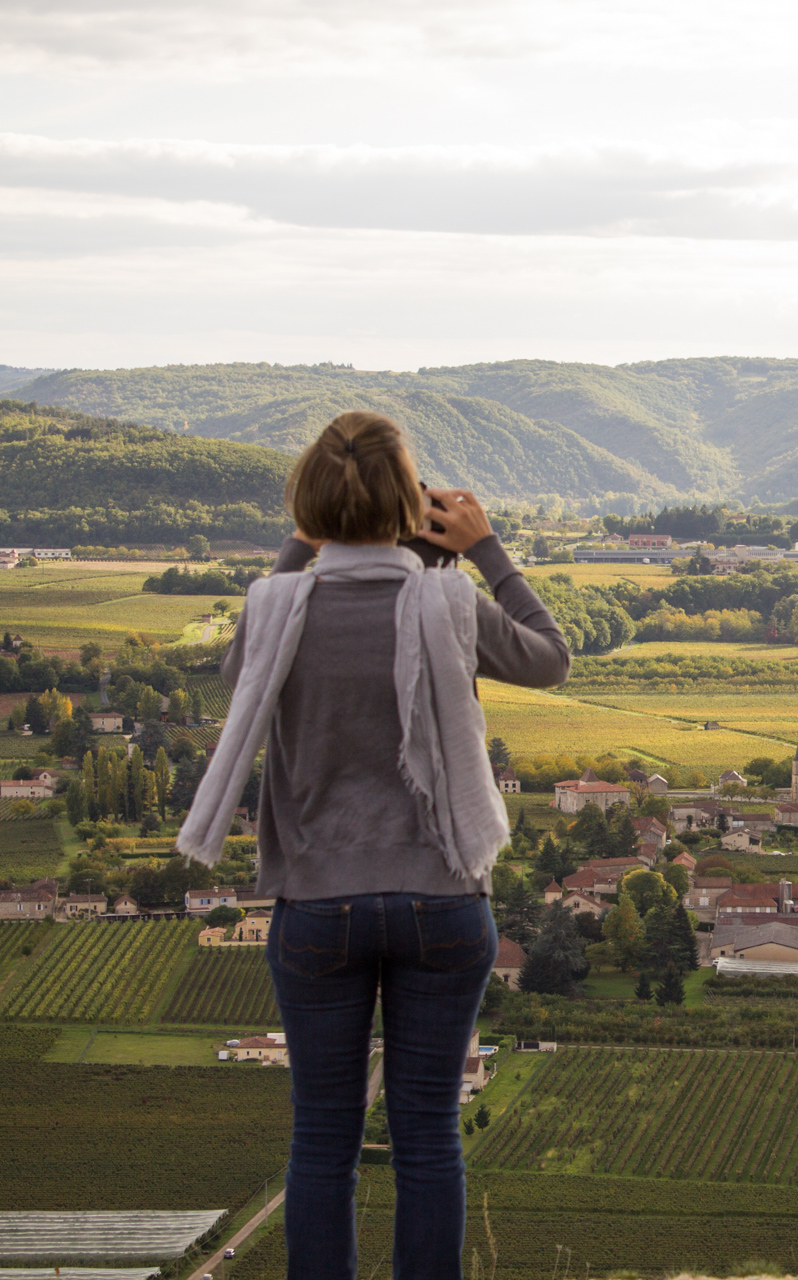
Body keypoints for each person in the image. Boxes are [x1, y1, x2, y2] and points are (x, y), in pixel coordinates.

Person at [178, 410, 570, 1278]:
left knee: (322, 1141)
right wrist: (487, 550)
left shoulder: (278, 609)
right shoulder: (450, 601)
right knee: (428, 1135)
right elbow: (551, 659)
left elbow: (238, 670)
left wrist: (297, 547)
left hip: (316, 909)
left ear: (309, 506)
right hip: (443, 900)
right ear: (408, 500)